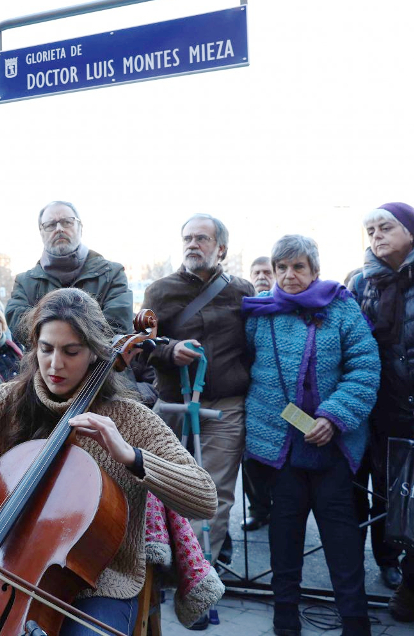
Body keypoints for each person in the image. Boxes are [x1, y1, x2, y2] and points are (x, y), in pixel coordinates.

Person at [0, 288, 218, 636]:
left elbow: (205, 496)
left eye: (71, 351)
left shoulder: (129, 419)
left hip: (96, 583)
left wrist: (131, 457)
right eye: (46, 349)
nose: (55, 363)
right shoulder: (6, 402)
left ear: (95, 353)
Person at [243, 235, 379, 636]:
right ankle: (285, 618)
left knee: (341, 539)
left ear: (315, 271)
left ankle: (355, 621)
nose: (288, 275)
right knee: (284, 538)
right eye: (281, 267)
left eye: (298, 267)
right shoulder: (260, 314)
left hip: (332, 446)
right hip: (280, 446)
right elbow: (244, 365)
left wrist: (334, 417)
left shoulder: (341, 307)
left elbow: (365, 368)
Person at [140, 213, 254, 576]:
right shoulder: (160, 290)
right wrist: (170, 349)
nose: (193, 244)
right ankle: (158, 568)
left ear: (221, 248)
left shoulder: (243, 290)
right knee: (162, 486)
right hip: (172, 404)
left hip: (225, 407)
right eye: (188, 237)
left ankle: (199, 577)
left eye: (202, 238)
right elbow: (142, 345)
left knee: (215, 495)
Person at [350, 202, 414, 625]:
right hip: (379, 404)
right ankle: (387, 559)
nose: (376, 236)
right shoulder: (365, 281)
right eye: (371, 230)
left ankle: (412, 587)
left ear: (412, 233)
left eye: (386, 227)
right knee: (386, 487)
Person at [7, 201, 133, 342]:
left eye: (67, 222)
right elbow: (19, 328)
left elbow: (118, 326)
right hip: (44, 365)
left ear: (80, 228)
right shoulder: (24, 282)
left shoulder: (112, 274)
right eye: (50, 225)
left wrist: (51, 332)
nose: (59, 229)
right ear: (41, 233)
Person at [242, 256, 275, 532]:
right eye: (257, 271)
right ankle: (259, 509)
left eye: (267, 271)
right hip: (247, 394)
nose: (262, 276)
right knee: (250, 461)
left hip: (274, 398)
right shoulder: (245, 307)